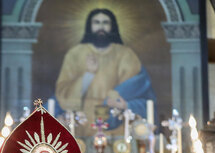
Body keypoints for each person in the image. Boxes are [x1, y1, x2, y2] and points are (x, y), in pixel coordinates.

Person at [55, 8, 156, 137]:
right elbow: (63, 94)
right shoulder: (75, 54)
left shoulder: (125, 54)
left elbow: (135, 88)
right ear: (89, 26)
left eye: (105, 23)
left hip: (116, 123)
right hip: (84, 123)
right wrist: (89, 74)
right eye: (96, 22)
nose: (101, 27)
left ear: (112, 26)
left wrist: (121, 102)